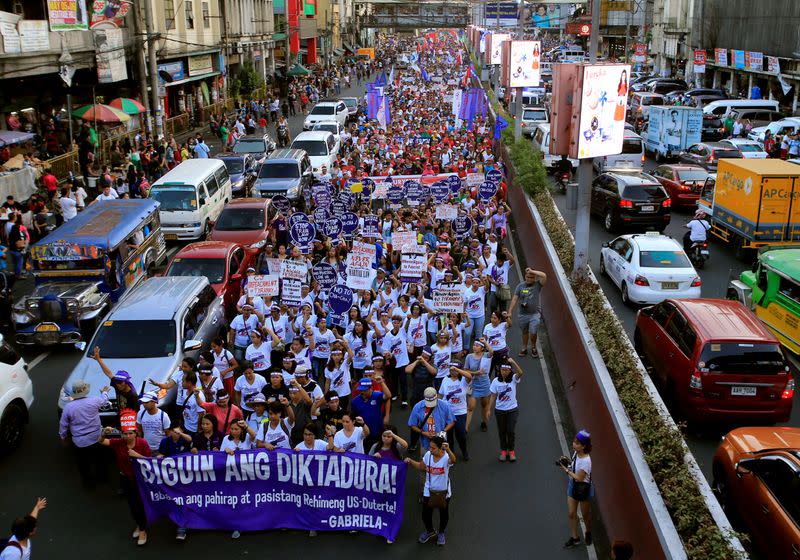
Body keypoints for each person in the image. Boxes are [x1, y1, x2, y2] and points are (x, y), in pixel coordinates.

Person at [98, 411, 151, 546]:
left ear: (136, 433)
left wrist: (136, 455)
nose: (127, 436)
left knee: (140, 504)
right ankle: (139, 525)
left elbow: (150, 461)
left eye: (130, 433)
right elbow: (101, 441)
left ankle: (143, 529)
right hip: (126, 479)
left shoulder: (143, 443)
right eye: (125, 433)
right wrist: (104, 432)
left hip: (140, 480)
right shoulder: (119, 443)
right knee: (132, 505)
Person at [404, 435, 456, 547]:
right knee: (425, 515)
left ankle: (441, 533)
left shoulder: (446, 457)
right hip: (428, 490)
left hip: (444, 492)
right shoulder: (428, 455)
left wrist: (448, 449)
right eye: (430, 447)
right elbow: (421, 467)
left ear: (440, 448)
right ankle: (430, 531)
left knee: (443, 514)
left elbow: (453, 460)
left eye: (433, 448)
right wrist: (410, 461)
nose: (430, 450)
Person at [58, 380, 110, 489]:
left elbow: (63, 424)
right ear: (85, 390)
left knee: (83, 464)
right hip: (97, 437)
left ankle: (88, 484)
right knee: (100, 460)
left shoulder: (68, 407)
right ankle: (103, 478)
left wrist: (63, 437)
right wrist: (104, 392)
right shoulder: (95, 400)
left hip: (80, 441)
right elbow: (104, 401)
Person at [562, 430, 594, 548]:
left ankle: (588, 531)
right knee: (571, 513)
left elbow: (579, 478)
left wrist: (566, 470)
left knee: (585, 514)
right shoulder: (576, 453)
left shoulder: (586, 461)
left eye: (577, 443)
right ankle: (575, 538)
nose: (574, 444)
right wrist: (567, 463)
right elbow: (573, 466)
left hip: (583, 488)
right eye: (574, 441)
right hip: (573, 486)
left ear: (584, 446)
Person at [489, 358, 524, 462]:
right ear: (500, 370)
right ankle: (504, 451)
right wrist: (488, 409)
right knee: (502, 431)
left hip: (512, 410)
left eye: (506, 370)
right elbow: (493, 396)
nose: (504, 372)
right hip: (499, 410)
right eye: (502, 370)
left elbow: (520, 373)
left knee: (510, 431)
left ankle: (511, 451)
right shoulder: (496, 381)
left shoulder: (513, 378)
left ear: (510, 371)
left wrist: (512, 362)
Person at [508, 268, 546, 357]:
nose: (529, 279)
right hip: (522, 314)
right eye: (528, 277)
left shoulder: (538, 285)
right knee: (524, 332)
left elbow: (544, 275)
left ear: (535, 278)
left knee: (533, 331)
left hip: (534, 314)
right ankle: (524, 348)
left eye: (531, 277)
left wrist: (532, 271)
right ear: (525, 277)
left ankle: (533, 346)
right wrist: (510, 311)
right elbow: (515, 298)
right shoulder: (520, 286)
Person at [407, 386, 455, 453]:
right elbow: (412, 424)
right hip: (425, 443)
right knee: (425, 461)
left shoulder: (444, 405)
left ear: (437, 396)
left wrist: (442, 432)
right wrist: (423, 433)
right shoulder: (417, 407)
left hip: (441, 443)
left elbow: (452, 421)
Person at [350, 377, 390, 452]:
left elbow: (388, 395)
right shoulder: (355, 401)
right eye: (361, 390)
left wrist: (381, 383)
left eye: (364, 390)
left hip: (378, 432)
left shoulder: (377, 396)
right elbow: (353, 418)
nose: (362, 392)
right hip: (364, 434)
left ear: (371, 388)